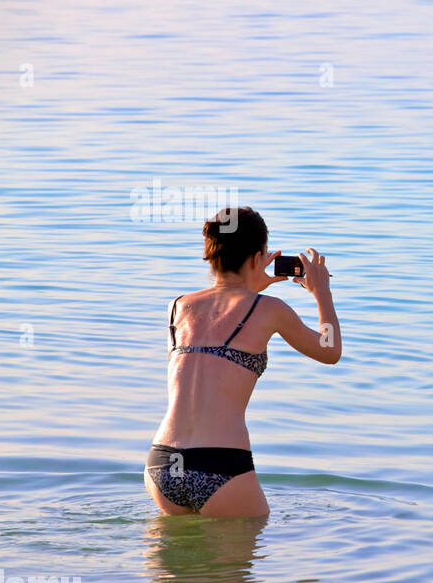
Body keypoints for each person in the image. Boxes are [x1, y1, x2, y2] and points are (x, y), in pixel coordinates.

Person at [145, 207, 341, 516]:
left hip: (164, 464)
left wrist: (248, 286)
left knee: (175, 564)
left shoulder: (177, 306)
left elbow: (222, 314)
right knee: (238, 563)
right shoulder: (269, 309)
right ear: (256, 258)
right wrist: (322, 292)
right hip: (221, 467)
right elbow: (329, 350)